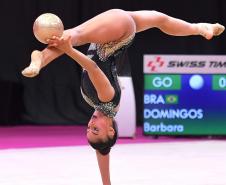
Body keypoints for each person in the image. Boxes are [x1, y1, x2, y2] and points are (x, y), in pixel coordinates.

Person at [21, 9, 225, 185]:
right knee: (75, 35)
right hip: (116, 33)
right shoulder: (107, 98)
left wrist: (106, 183)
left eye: (88, 129)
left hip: (118, 31)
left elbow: (103, 149)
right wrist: (68, 50)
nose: (90, 124)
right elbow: (90, 66)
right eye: (95, 129)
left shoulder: (101, 109)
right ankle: (39, 59)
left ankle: (200, 28)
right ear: (110, 128)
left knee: (159, 19)